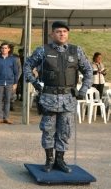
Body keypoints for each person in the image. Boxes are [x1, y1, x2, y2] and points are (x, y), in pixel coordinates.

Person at [23, 21, 92, 173]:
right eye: (58, 31)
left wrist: (84, 89)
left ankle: (60, 160)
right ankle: (49, 160)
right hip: (49, 98)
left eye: (65, 31)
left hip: (68, 99)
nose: (62, 34)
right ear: (52, 34)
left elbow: (88, 70)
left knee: (65, 130)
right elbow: (27, 65)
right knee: (48, 130)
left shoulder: (76, 51)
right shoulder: (43, 50)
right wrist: (34, 82)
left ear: (68, 34)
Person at [0, 43, 19, 124]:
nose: (4, 49)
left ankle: (6, 117)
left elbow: (16, 72)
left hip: (9, 82)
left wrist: (15, 83)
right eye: (2, 48)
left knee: (7, 100)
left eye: (5, 48)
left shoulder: (12, 59)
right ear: (0, 49)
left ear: (8, 49)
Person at [8, 44, 22, 111]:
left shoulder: (16, 57)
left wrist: (17, 77)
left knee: (13, 92)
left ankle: (11, 105)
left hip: (14, 77)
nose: (11, 49)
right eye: (10, 48)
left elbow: (19, 68)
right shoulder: (3, 56)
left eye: (12, 48)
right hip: (5, 77)